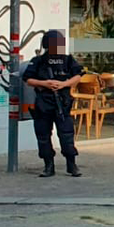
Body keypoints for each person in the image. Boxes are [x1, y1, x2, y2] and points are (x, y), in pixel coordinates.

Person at [21, 30, 83, 178]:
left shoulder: (67, 60)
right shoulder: (38, 61)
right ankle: (48, 166)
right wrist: (45, 83)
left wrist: (63, 84)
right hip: (44, 103)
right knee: (43, 136)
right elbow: (28, 79)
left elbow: (78, 76)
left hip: (62, 102)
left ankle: (71, 164)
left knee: (67, 135)